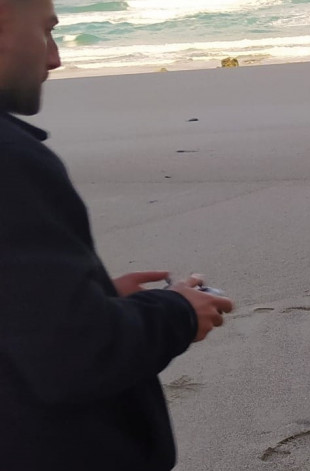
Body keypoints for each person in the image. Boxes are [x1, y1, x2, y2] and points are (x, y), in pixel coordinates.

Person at [0, 0, 235, 469]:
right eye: (45, 32)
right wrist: (178, 311)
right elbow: (71, 356)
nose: (54, 58)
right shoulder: (10, 162)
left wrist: (92, 298)